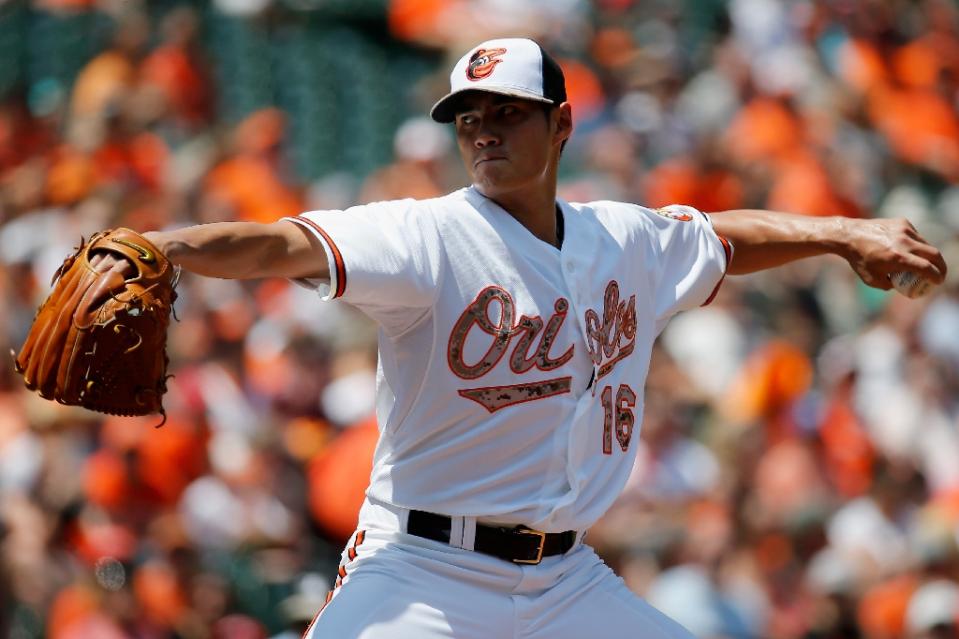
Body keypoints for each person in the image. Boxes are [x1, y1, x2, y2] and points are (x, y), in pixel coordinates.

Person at [92, 38, 947, 638]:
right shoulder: (424, 236)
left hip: (566, 578)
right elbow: (284, 243)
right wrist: (168, 247)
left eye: (508, 111)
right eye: (469, 117)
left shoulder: (623, 238)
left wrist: (841, 231)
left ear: (562, 125)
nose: (485, 131)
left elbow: (722, 239)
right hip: (424, 570)